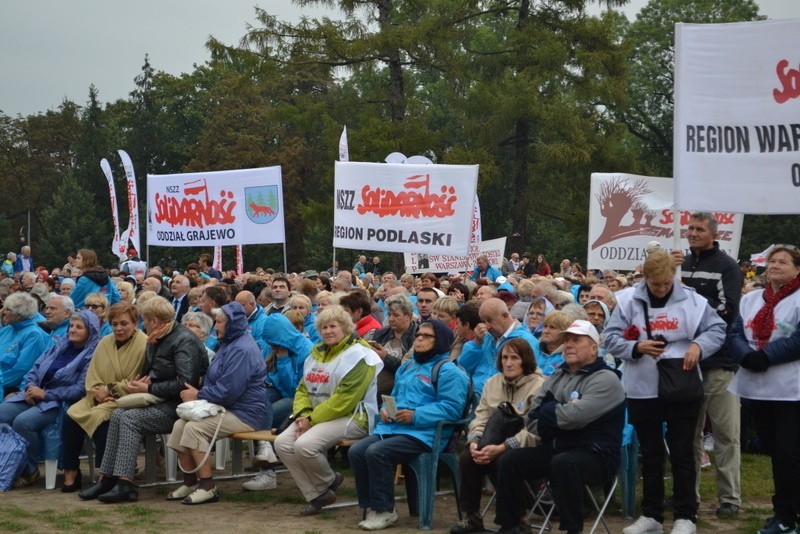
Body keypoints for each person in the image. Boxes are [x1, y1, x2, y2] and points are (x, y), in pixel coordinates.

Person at [605, 250, 726, 534]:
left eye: (665, 283)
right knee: (650, 451)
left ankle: (686, 516)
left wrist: (699, 346)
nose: (660, 288)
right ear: (645, 277)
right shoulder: (626, 300)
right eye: (654, 283)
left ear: (673, 276)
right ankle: (652, 515)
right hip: (642, 386)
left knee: (683, 450)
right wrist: (636, 347)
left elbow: (718, 329)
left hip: (682, 384)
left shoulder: (693, 300)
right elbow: (610, 338)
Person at [493, 320, 625, 534]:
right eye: (566, 340)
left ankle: (572, 529)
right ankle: (511, 525)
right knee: (511, 459)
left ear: (594, 349)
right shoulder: (558, 375)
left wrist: (552, 410)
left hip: (596, 454)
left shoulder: (606, 379)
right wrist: (559, 411)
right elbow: (532, 418)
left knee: (563, 463)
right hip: (557, 447)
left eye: (576, 340)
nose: (569, 345)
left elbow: (575, 417)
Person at [78, 296, 208, 503]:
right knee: (118, 413)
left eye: (145, 320)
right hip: (160, 400)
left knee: (130, 419)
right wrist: (141, 382)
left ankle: (126, 483)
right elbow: (154, 372)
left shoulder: (183, 340)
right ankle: (108, 477)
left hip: (180, 407)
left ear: (155, 321)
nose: (143, 324)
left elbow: (186, 384)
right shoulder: (157, 337)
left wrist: (149, 387)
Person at [349, 320, 469, 531]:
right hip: (396, 428)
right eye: (418, 335)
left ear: (440, 341)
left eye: (426, 336)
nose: (419, 339)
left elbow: (452, 409)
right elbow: (395, 396)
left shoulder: (449, 371)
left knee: (377, 452)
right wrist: (386, 411)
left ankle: (386, 511)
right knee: (357, 450)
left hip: (426, 435)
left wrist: (416, 416)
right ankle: (372, 506)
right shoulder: (408, 366)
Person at [274, 305, 383, 516]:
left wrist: (311, 420)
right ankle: (318, 493)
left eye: (333, 326)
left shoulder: (361, 356)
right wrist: (303, 415)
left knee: (305, 445)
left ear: (345, 328)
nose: (328, 331)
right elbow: (303, 389)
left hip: (354, 417)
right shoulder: (316, 353)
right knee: (282, 443)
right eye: (323, 327)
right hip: (316, 417)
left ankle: (327, 482)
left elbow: (345, 400)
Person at [673, 212, 743, 517]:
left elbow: (727, 309)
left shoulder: (727, 267)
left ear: (714, 234)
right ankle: (690, 498)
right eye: (689, 228)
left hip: (720, 361)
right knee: (690, 435)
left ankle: (730, 498)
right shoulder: (682, 265)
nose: (692, 233)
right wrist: (670, 271)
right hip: (686, 362)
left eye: (699, 229)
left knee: (726, 434)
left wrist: (689, 307)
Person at [728, 244, 800, 534]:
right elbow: (734, 332)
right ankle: (783, 515)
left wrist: (766, 355)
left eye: (784, 261)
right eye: (772, 261)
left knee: (789, 454)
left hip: (791, 390)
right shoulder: (752, 299)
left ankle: (787, 514)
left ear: (797, 269)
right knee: (774, 452)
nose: (775, 265)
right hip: (757, 387)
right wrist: (745, 354)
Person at [166, 302, 267, 504]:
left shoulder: (242, 350)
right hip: (225, 407)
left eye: (220, 322)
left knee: (195, 428)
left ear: (233, 324)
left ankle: (208, 486)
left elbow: (229, 392)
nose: (215, 326)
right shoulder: (229, 343)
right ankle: (190, 481)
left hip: (245, 413)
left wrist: (198, 394)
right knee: (179, 425)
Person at [450, 338, 545, 534]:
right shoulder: (492, 383)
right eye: (504, 358)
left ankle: (516, 521)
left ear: (525, 360)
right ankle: (472, 517)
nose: (508, 363)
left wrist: (502, 448)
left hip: (526, 445)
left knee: (506, 461)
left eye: (514, 358)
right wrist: (474, 441)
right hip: (493, 440)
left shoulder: (539, 386)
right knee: (469, 458)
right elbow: (481, 416)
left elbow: (535, 431)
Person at [0, 310, 100, 488]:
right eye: (71, 326)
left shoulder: (91, 355)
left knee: (23, 422)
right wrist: (30, 389)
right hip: (33, 395)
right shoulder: (59, 345)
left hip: (58, 402)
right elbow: (35, 367)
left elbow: (78, 390)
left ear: (90, 331)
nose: (72, 330)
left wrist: (45, 395)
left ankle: (30, 470)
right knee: (2, 413)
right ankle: (11, 464)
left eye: (79, 327)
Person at [61, 302, 147, 492]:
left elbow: (137, 379)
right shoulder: (104, 342)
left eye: (124, 323)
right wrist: (98, 393)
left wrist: (112, 390)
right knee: (70, 416)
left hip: (125, 399)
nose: (119, 328)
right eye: (114, 324)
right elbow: (92, 374)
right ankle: (71, 471)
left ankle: (106, 474)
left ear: (135, 323)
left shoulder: (144, 344)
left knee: (103, 421)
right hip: (98, 397)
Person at [243, 312, 313, 492]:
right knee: (256, 404)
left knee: (268, 413)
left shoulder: (306, 350)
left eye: (274, 342)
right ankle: (265, 452)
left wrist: (282, 359)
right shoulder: (271, 345)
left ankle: (267, 469)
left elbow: (294, 389)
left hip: (298, 398)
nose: (271, 346)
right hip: (275, 389)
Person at [459, 298, 536, 398]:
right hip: (472, 395)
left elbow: (529, 380)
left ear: (505, 316)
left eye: (489, 320)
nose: (486, 326)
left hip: (498, 401)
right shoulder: (486, 338)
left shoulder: (526, 341)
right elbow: (464, 366)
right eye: (483, 321)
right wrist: (476, 343)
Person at [366, 294, 417, 400]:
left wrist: (386, 358)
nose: (391, 319)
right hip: (372, 387)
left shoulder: (417, 336)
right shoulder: (380, 333)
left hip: (398, 391)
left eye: (396, 315)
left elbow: (409, 368)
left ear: (408, 315)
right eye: (389, 315)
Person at [0, 292, 51, 397]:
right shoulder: (7, 329)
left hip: (10, 385)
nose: (3, 312)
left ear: (20, 314)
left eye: (8, 309)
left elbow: (20, 371)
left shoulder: (33, 335)